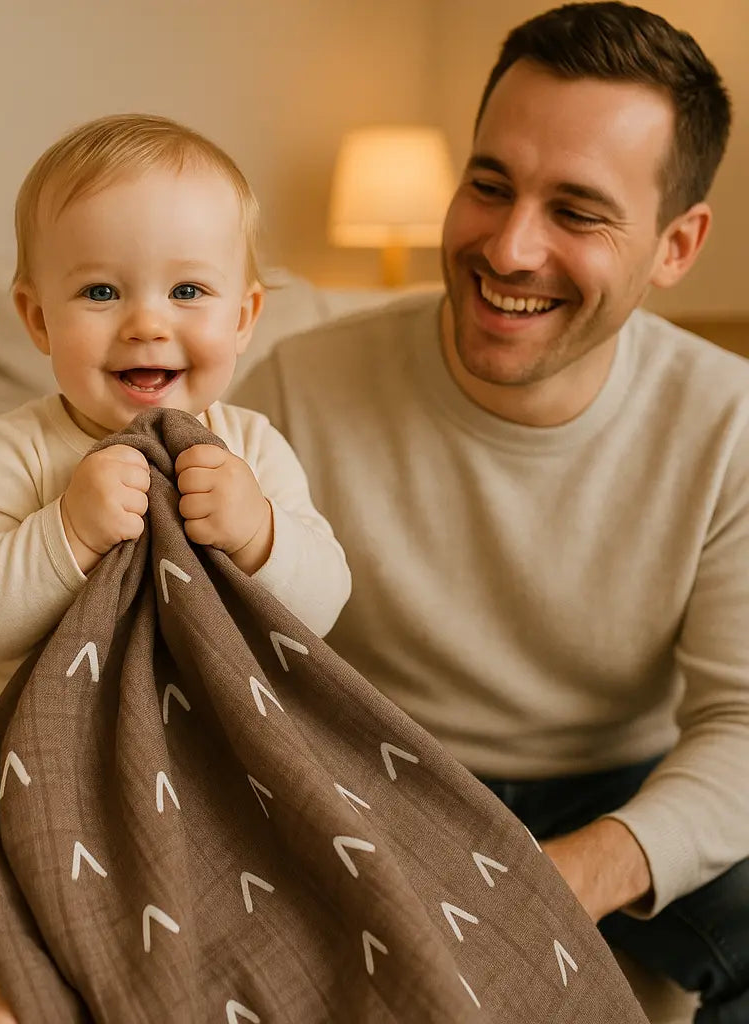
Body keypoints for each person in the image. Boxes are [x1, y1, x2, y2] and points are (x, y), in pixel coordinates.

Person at [234, 3, 747, 1018]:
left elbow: (742, 725)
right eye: (489, 185)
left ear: (677, 245)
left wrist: (568, 876)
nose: (509, 249)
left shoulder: (730, 424)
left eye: (578, 212)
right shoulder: (296, 388)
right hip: (378, 780)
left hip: (623, 789)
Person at [0, 113, 351, 1024]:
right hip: (6, 757)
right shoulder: (15, 449)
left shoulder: (253, 448)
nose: (146, 323)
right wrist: (65, 531)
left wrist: (258, 533)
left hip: (195, 759)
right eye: (100, 290)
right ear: (36, 317)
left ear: (244, 316)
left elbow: (323, 606)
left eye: (188, 289)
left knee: (308, 814)